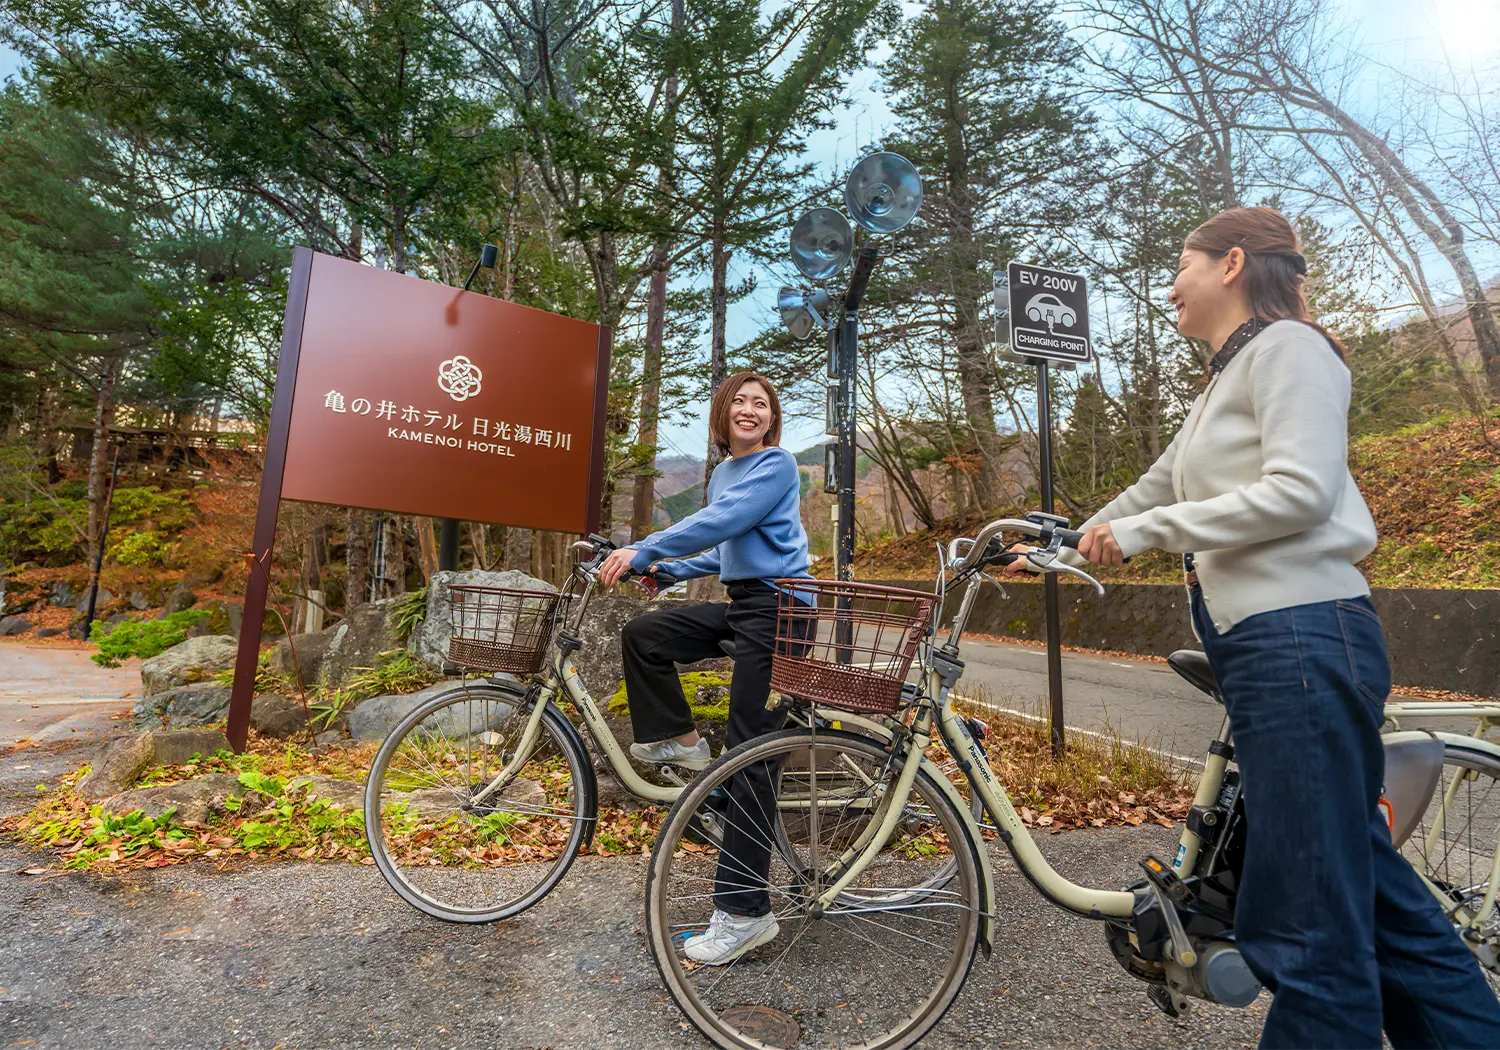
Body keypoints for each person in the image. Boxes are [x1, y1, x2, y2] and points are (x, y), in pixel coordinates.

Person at [1009, 206, 1500, 1047]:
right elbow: (1160, 485)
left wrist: (1143, 534)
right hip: (1273, 647)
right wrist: (1062, 539)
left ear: (1232, 263)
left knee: (1306, 923)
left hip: (1302, 639)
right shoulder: (1222, 380)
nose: (1170, 286)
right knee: (1369, 894)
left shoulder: (1293, 350)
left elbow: (1301, 491)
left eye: (1181, 266)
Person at [597, 369, 811, 966]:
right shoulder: (721, 473)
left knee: (751, 753)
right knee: (646, 634)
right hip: (747, 602)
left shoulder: (777, 465)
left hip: (783, 608)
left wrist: (649, 547)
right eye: (739, 401)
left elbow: (726, 523)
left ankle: (746, 913)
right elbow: (723, 550)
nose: (750, 410)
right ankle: (684, 745)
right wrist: (666, 571)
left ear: (772, 418)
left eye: (761, 403)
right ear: (723, 414)